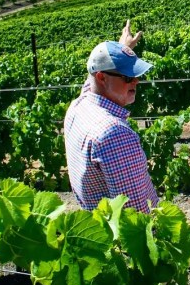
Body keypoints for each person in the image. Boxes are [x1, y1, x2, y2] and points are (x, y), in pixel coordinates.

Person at [64, 20, 158, 213]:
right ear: (101, 77)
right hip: (127, 241)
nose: (136, 81)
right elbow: (136, 215)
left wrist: (122, 50)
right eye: (127, 76)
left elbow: (89, 83)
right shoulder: (114, 134)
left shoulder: (78, 106)